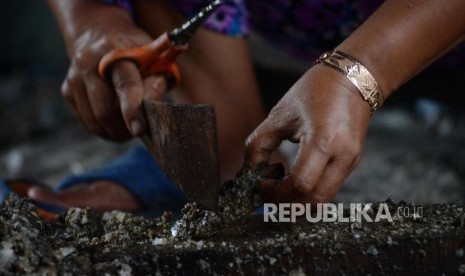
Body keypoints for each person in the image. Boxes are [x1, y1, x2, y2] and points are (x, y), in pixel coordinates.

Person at [23, 0, 465, 215]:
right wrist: (89, 18)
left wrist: (358, 74)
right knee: (231, 175)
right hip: (288, 28)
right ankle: (226, 154)